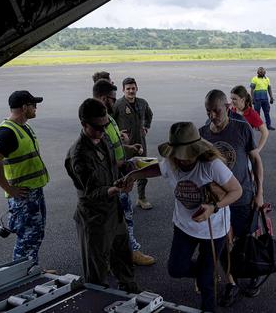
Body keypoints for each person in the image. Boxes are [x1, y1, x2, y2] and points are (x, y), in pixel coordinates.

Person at [119, 122, 243, 312]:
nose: (182, 160)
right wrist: (135, 175)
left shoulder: (212, 165)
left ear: (198, 150)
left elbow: (236, 191)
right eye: (178, 155)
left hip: (213, 229)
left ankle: (208, 300)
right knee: (176, 268)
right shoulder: (171, 162)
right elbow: (158, 169)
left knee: (207, 283)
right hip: (184, 226)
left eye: (187, 155)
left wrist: (213, 207)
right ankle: (203, 273)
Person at [64, 98, 139, 292]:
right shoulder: (78, 154)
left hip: (114, 210)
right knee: (96, 271)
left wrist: (128, 174)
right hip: (94, 217)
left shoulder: (103, 138)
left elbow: (113, 167)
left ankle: (129, 290)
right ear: (84, 124)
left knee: (122, 256)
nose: (103, 130)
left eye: (106, 125)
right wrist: (117, 189)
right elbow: (91, 192)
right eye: (98, 127)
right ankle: (98, 302)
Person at [200, 89, 264, 306]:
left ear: (226, 107)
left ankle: (253, 273)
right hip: (217, 201)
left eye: (216, 111)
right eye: (208, 112)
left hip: (243, 195)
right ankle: (231, 282)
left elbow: (256, 161)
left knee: (246, 239)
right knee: (223, 243)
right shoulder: (202, 134)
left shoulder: (242, 128)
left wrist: (260, 192)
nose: (212, 116)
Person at [92, 79, 155, 266]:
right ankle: (124, 254)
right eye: (112, 98)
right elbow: (102, 155)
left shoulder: (108, 118)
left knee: (124, 218)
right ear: (105, 98)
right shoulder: (99, 122)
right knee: (116, 220)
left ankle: (126, 251)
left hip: (119, 174)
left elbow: (114, 147)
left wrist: (127, 148)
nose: (115, 101)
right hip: (111, 181)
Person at [0, 90, 48, 264]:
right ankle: (22, 275)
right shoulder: (7, 132)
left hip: (33, 192)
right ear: (24, 107)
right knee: (27, 238)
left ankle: (32, 270)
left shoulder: (24, 126)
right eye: (33, 105)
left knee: (35, 234)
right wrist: (9, 189)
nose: (36, 108)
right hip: (23, 196)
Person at [113, 77, 154, 210]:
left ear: (137, 88)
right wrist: (117, 132)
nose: (131, 91)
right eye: (128, 89)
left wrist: (146, 126)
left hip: (141, 141)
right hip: (125, 144)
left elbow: (149, 115)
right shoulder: (118, 105)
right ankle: (123, 200)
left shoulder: (142, 103)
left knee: (143, 169)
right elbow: (110, 121)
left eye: (133, 88)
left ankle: (141, 198)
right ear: (123, 90)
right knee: (124, 172)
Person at [230, 85, 269, 152]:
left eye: (234, 99)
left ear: (242, 99)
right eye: (231, 99)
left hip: (244, 150)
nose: (232, 101)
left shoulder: (251, 114)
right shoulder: (231, 110)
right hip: (231, 147)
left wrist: (258, 150)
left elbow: (265, 132)